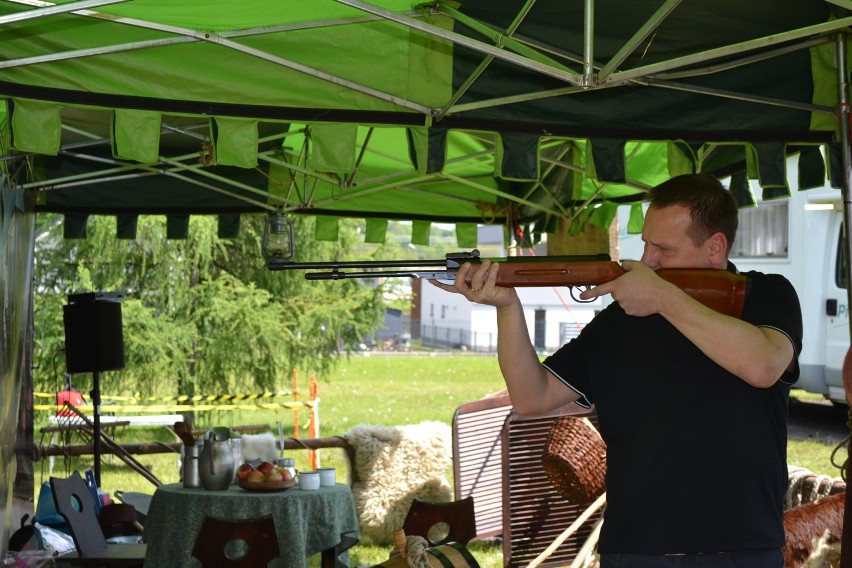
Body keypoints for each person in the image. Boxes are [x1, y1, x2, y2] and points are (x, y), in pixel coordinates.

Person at [431, 173, 802, 568]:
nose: (647, 261)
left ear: (715, 248)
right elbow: (531, 396)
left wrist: (662, 298)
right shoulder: (624, 318)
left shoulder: (765, 294)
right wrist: (508, 307)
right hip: (634, 547)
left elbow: (764, 364)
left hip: (739, 547)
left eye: (664, 249)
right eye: (645, 244)